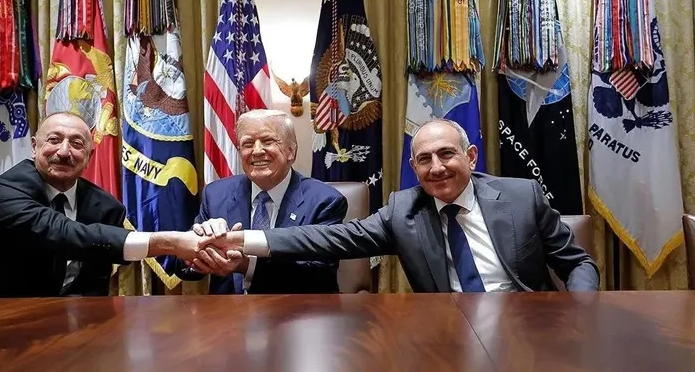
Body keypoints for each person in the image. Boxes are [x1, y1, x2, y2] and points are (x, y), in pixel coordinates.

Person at [193, 119, 600, 292]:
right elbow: (326, 239)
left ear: (471, 157)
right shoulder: (403, 210)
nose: (436, 168)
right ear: (413, 168)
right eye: (424, 160)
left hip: (528, 324)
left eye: (447, 154)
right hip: (447, 332)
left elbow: (578, 263)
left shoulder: (521, 196)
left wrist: (578, 310)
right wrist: (242, 240)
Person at [0, 112, 225, 298]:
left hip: (50, 328)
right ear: (34, 147)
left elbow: (92, 287)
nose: (63, 152)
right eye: (54, 140)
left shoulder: (106, 207)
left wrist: (199, 254)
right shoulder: (4, 191)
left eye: (76, 143)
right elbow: (63, 234)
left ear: (89, 156)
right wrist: (173, 243)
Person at [177, 109, 348, 294]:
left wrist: (246, 265)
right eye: (248, 144)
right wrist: (201, 249)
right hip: (229, 310)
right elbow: (186, 270)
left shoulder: (324, 202)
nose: (257, 151)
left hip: (295, 308)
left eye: (268, 141)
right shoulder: (216, 194)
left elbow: (320, 278)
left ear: (291, 151)